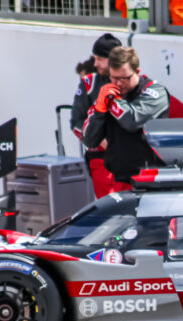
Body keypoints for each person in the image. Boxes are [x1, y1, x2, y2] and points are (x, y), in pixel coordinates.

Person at [81, 46, 170, 192]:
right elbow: (90, 140)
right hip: (118, 181)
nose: (118, 84)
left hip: (152, 182)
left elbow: (131, 121)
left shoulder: (154, 91)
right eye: (114, 78)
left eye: (125, 78)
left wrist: (113, 101)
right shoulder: (107, 94)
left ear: (137, 72)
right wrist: (99, 110)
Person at [70, 33, 122, 198]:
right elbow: (76, 122)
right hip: (102, 161)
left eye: (100, 59)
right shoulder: (89, 83)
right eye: (94, 58)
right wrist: (99, 139)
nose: (95, 63)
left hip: (132, 161)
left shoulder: (132, 80)